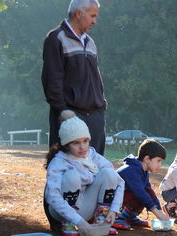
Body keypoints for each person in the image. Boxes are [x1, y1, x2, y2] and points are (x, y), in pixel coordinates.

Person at [43, 110, 124, 236]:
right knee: (72, 175)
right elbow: (52, 196)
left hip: (85, 207)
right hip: (61, 212)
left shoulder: (91, 155)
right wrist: (79, 222)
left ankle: (102, 220)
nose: (82, 147)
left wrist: (114, 210)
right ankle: (68, 224)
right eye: (76, 143)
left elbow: (119, 182)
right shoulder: (59, 161)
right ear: (66, 144)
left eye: (85, 141)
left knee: (109, 173)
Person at [42, 0, 107, 155]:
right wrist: (63, 112)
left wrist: (101, 107)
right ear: (79, 13)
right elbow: (52, 80)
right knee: (67, 174)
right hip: (70, 117)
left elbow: (96, 80)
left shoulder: (90, 42)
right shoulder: (56, 38)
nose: (95, 21)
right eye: (93, 16)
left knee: (94, 172)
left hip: (95, 117)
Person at [115, 139, 170, 230]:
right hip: (110, 205)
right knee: (142, 194)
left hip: (121, 200)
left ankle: (130, 217)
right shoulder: (131, 170)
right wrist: (157, 213)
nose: (160, 165)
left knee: (148, 191)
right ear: (147, 159)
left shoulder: (143, 171)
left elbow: (149, 191)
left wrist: (160, 212)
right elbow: (140, 193)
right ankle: (118, 217)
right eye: (158, 161)